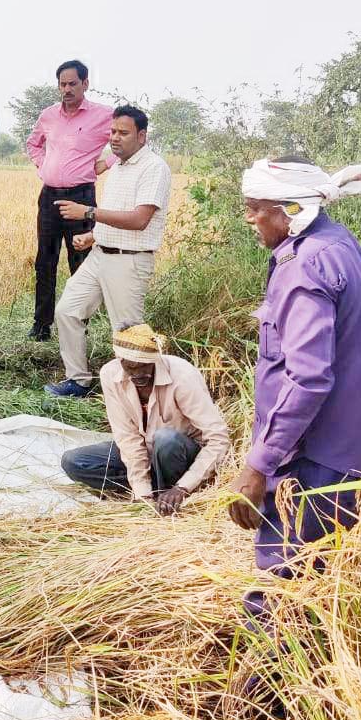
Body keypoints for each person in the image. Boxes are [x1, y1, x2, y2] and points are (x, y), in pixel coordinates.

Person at [228, 157, 361, 622]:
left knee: (281, 595)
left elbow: (308, 377)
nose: (249, 218)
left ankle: (260, 694)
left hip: (315, 465)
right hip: (351, 455)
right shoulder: (341, 246)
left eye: (256, 208)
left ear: (291, 209)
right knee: (325, 590)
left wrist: (259, 464)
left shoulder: (304, 269)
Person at [45, 105, 171, 398]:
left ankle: (143, 398)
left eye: (123, 133)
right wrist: (93, 236)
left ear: (142, 136)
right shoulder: (118, 166)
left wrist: (88, 211)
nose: (115, 138)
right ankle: (78, 381)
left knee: (129, 334)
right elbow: (116, 214)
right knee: (68, 311)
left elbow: (140, 219)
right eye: (112, 132)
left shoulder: (154, 168)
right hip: (100, 254)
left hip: (129, 261)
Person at [61, 324, 231, 513]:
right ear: (120, 360)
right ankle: (156, 491)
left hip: (180, 455)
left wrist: (182, 487)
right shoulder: (110, 374)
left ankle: (173, 491)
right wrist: (142, 492)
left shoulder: (182, 375)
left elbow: (219, 438)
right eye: (130, 368)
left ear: (154, 360)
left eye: (143, 366)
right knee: (74, 461)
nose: (138, 374)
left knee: (166, 438)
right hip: (146, 453)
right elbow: (128, 439)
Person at [25, 60, 115, 341]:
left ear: (85, 84)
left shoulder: (103, 115)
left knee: (81, 261)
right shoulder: (48, 115)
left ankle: (80, 324)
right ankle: (41, 325)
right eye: (62, 84)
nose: (66, 89)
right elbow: (33, 144)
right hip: (49, 197)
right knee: (45, 262)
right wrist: (44, 165)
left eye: (72, 84)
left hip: (81, 196)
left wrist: (106, 163)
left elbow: (131, 137)